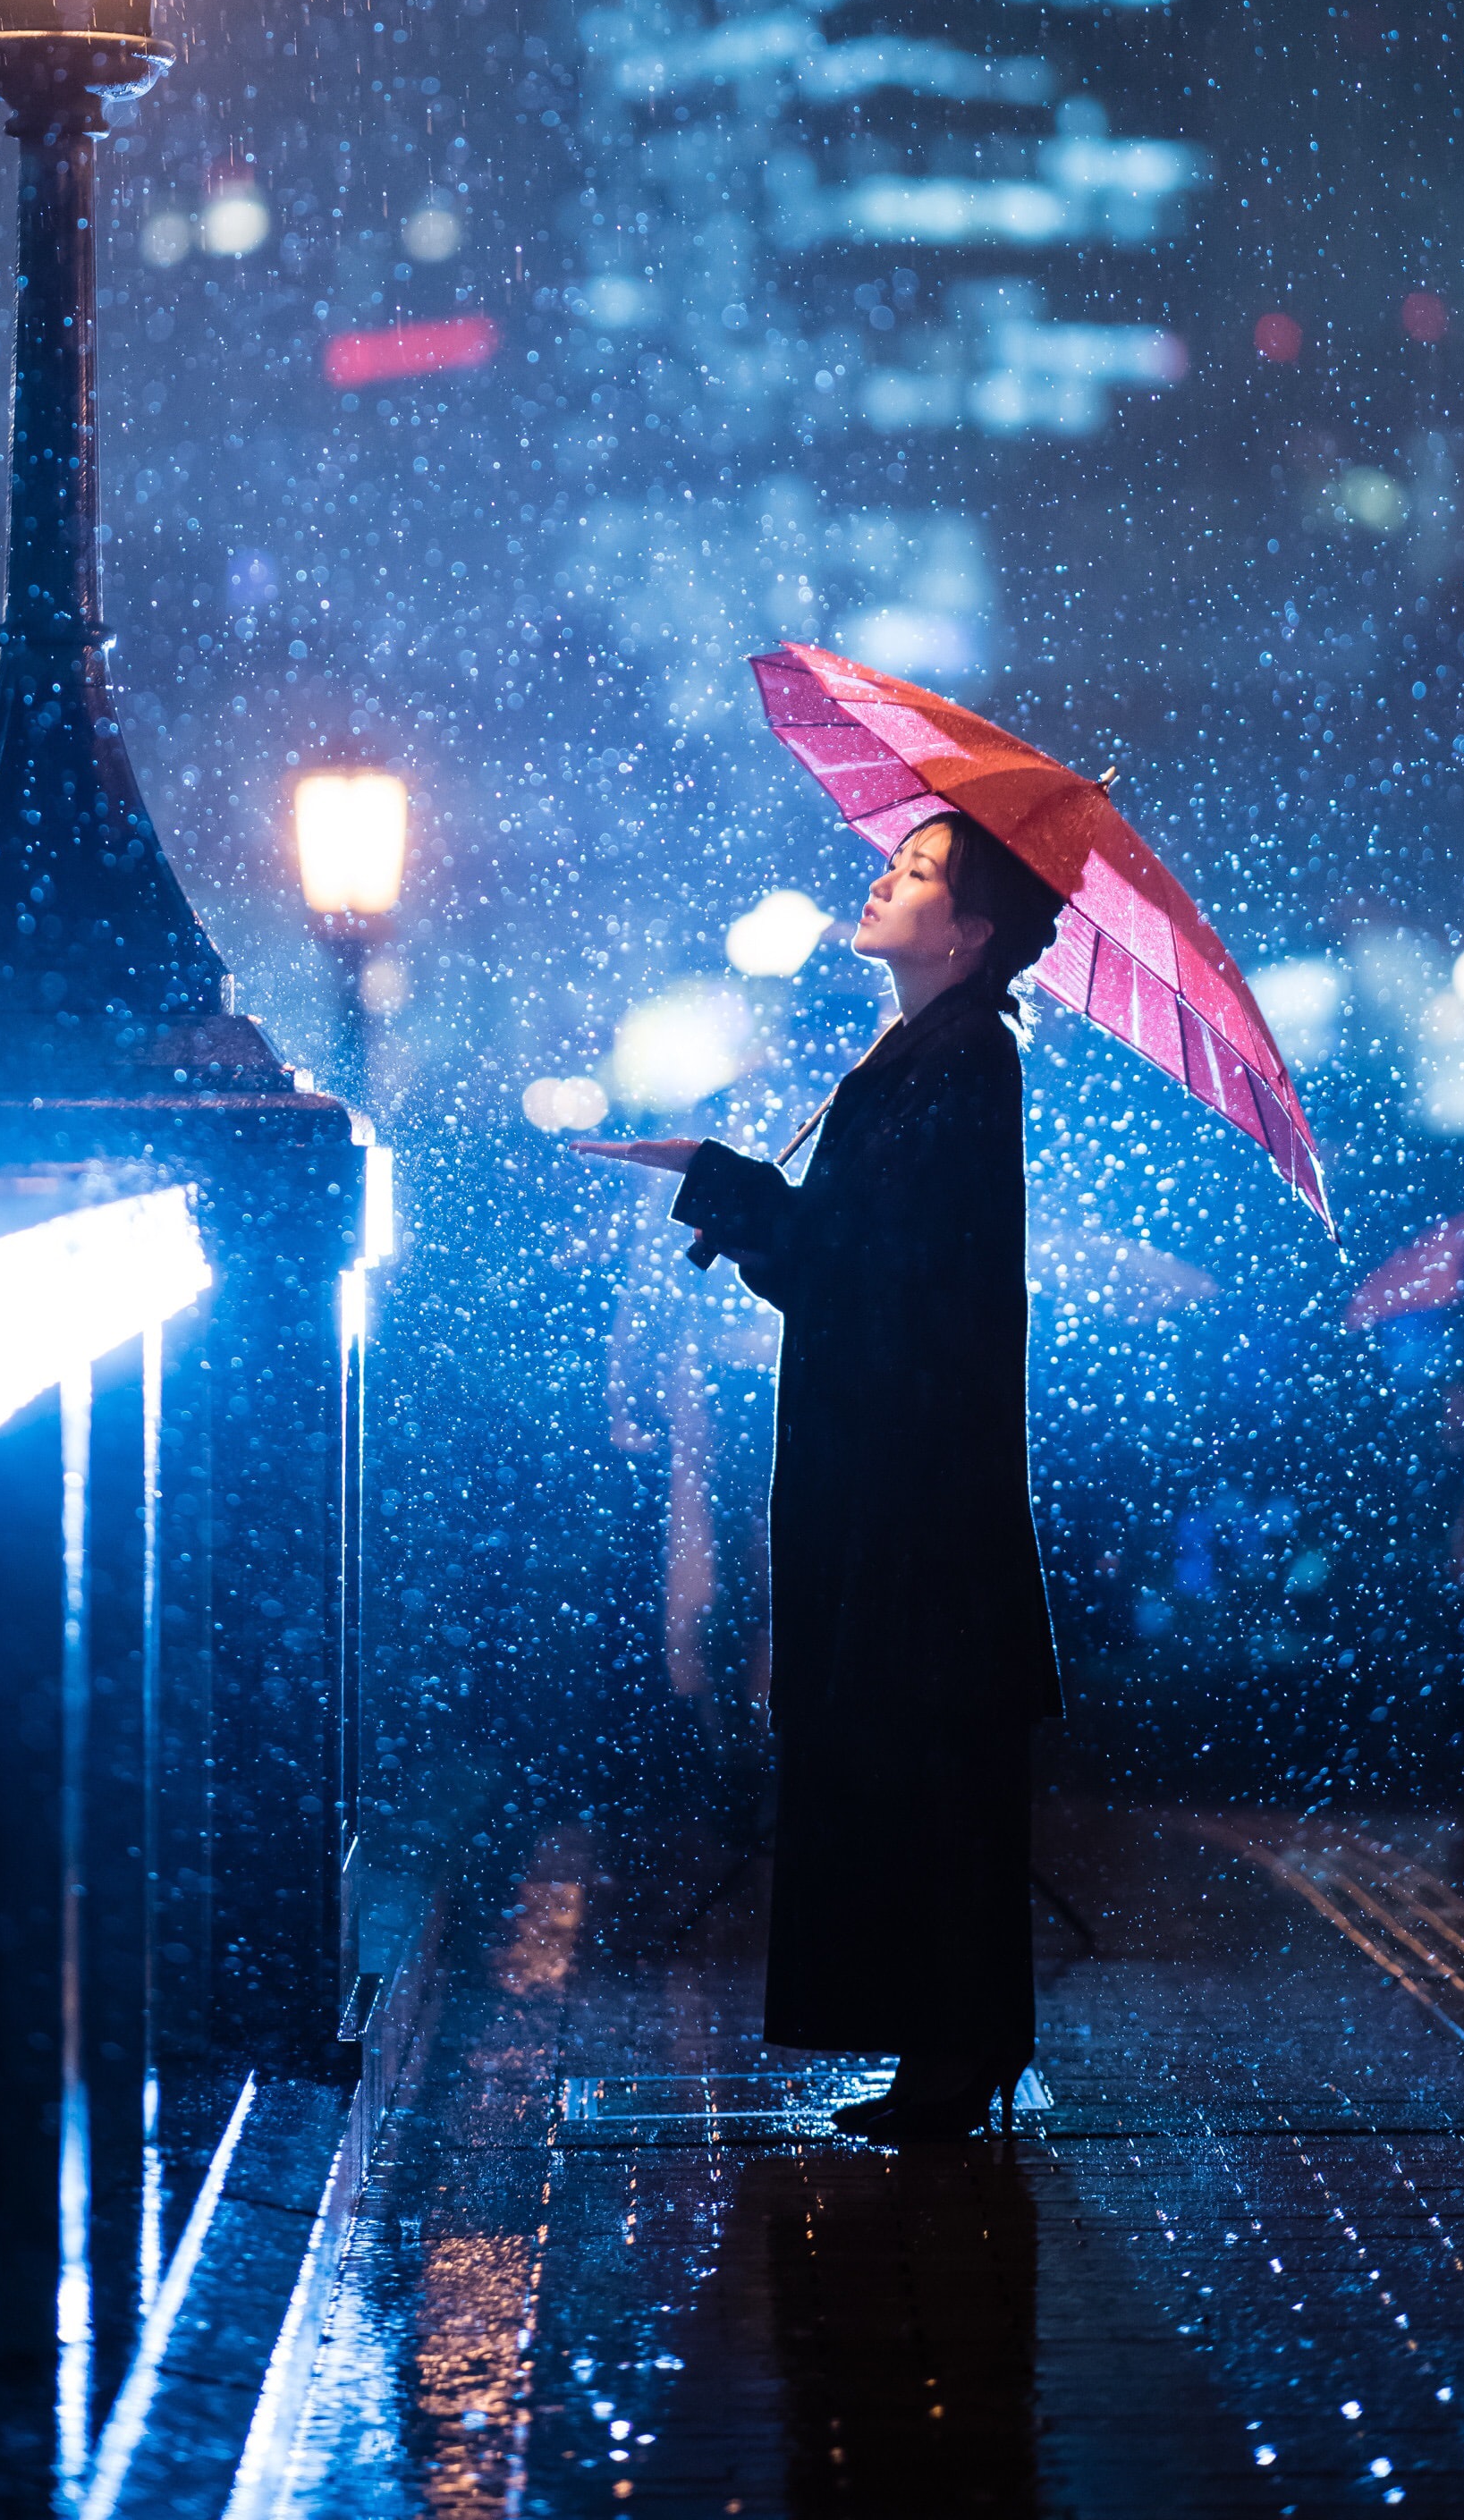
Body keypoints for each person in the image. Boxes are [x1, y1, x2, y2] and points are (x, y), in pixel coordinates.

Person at [577, 808, 1065, 2140]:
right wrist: (728, 1191)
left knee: (924, 1749)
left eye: (915, 875)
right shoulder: (919, 1054)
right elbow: (838, 1268)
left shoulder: (961, 1065)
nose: (882, 880)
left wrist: (723, 1190)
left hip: (912, 1472)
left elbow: (868, 1277)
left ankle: (959, 2051)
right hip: (881, 1452)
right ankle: (939, 2047)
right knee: (889, 1744)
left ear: (967, 933)